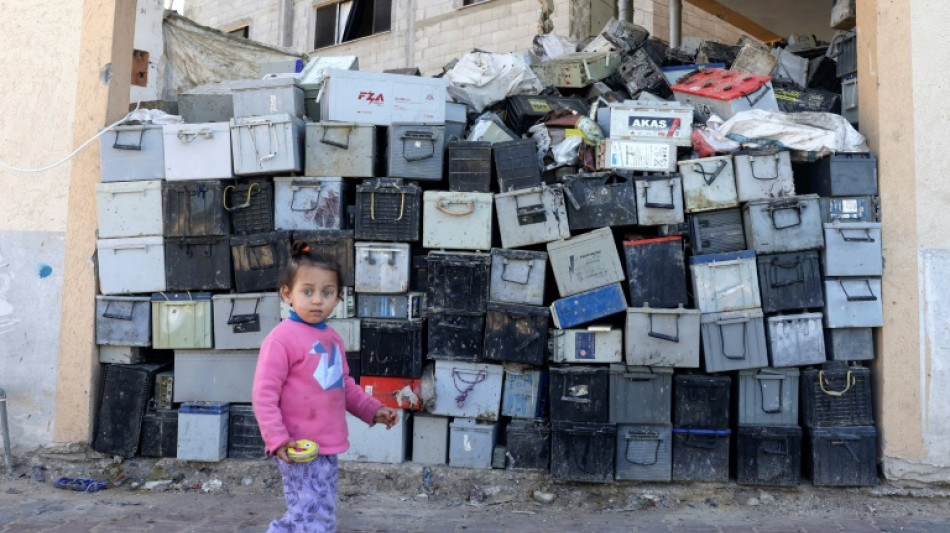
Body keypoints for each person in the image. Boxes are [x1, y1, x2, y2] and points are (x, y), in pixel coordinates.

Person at [253, 242, 398, 533]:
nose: (317, 300)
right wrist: (278, 439)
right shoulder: (281, 340)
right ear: (287, 294)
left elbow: (343, 385)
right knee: (315, 518)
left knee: (309, 513)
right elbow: (263, 395)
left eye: (327, 292)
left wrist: (373, 410)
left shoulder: (332, 338)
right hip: (299, 447)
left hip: (327, 446)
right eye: (307, 291)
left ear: (339, 298)